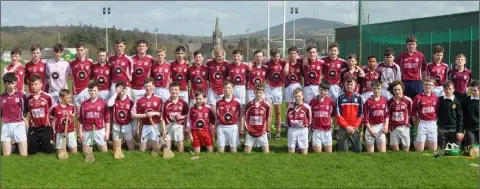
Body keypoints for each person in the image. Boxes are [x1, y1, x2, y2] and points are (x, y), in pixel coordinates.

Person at [26, 75, 56, 155]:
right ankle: (36, 142)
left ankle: (44, 142)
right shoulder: (28, 98)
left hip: (46, 127)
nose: (33, 86)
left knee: (49, 151)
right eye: (32, 84)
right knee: (32, 152)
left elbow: (53, 111)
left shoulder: (48, 97)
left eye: (36, 84)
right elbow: (25, 112)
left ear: (41, 84)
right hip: (34, 128)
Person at [131, 78, 163, 152]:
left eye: (150, 86)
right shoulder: (139, 99)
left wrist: (154, 113)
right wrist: (145, 115)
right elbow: (132, 115)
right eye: (146, 86)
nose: (148, 88)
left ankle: (153, 143)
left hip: (155, 125)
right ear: (144, 87)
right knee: (142, 150)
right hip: (144, 126)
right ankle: (149, 143)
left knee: (155, 149)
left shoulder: (159, 99)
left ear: (154, 86)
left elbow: (162, 114)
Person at [78, 82, 110, 154]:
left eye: (95, 90)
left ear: (98, 91)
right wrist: (80, 132)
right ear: (88, 91)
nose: (93, 92)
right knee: (85, 152)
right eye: (91, 90)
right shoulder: (84, 104)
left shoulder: (103, 103)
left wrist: (107, 132)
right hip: (87, 130)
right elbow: (80, 120)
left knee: (104, 152)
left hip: (99, 129)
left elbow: (107, 120)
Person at [0, 73, 28, 156]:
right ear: (4, 83)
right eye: (8, 83)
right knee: (6, 155)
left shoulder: (21, 96)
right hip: (6, 126)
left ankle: (18, 144)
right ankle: (15, 146)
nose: (11, 86)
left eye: (13, 83)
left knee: (23, 155)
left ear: (16, 83)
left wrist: (20, 119)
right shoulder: (1, 97)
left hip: (19, 125)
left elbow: (25, 111)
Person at [335, 76, 363, 152]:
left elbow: (360, 115)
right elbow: (338, 115)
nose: (349, 86)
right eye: (347, 84)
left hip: (354, 128)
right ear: (344, 85)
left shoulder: (359, 98)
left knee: (358, 150)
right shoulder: (339, 98)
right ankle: (340, 142)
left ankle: (349, 141)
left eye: (351, 84)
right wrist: (346, 126)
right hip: (344, 127)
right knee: (344, 151)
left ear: (355, 85)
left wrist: (354, 127)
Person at [412, 77, 439, 152]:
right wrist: (416, 125)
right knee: (420, 150)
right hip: (422, 123)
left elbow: (436, 111)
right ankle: (414, 141)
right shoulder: (418, 97)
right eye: (426, 84)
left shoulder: (436, 97)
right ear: (423, 86)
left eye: (430, 85)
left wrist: (434, 122)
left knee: (434, 149)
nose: (428, 86)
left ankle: (425, 141)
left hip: (432, 123)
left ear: (433, 86)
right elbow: (413, 113)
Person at [216, 81, 243, 153]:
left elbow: (242, 116)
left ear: (233, 89)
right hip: (221, 127)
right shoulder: (218, 102)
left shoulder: (238, 102)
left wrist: (241, 129)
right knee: (220, 151)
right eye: (225, 88)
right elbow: (216, 116)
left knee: (233, 150)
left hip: (233, 127)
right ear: (223, 89)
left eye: (229, 88)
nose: (227, 89)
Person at [108, 81, 135, 151]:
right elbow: (109, 104)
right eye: (119, 90)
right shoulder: (114, 99)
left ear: (126, 89)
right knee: (116, 150)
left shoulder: (130, 101)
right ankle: (120, 143)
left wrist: (134, 129)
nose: (121, 92)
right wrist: (116, 93)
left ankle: (124, 142)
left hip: (127, 126)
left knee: (131, 148)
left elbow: (133, 116)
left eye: (122, 90)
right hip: (116, 127)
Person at [362, 81, 389, 153]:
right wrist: (370, 130)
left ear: (381, 89)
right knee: (370, 153)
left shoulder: (384, 100)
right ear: (371, 89)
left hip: (381, 127)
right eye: (374, 89)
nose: (376, 91)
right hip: (371, 127)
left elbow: (386, 115)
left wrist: (386, 126)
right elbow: (365, 119)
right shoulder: (367, 102)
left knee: (382, 152)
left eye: (378, 88)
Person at [162, 82, 189, 152]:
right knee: (166, 151)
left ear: (179, 91)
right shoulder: (165, 103)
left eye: (176, 89)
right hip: (168, 127)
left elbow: (187, 115)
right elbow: (162, 118)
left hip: (179, 126)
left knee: (180, 151)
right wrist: (164, 130)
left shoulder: (183, 103)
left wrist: (181, 117)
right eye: (172, 89)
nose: (174, 91)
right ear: (169, 90)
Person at [244, 84, 271, 153]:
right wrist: (246, 128)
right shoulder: (249, 104)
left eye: (260, 93)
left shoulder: (267, 105)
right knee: (246, 153)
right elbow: (246, 117)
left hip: (262, 131)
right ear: (254, 92)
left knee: (267, 153)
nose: (258, 94)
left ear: (263, 93)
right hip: (251, 131)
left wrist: (267, 129)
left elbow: (268, 117)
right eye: (256, 92)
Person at [309, 82, 335, 153]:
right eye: (321, 89)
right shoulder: (313, 100)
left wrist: (330, 120)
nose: (323, 92)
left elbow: (333, 112)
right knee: (317, 153)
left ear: (328, 92)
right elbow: (309, 113)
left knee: (329, 153)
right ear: (318, 89)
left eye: (325, 90)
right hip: (316, 129)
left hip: (327, 129)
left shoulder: (330, 101)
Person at [264, 48, 285, 140]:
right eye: (274, 56)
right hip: (269, 88)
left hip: (279, 89)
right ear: (271, 57)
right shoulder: (267, 64)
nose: (276, 58)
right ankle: (268, 131)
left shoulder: (283, 63)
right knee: (269, 111)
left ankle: (278, 131)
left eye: (277, 56)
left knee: (278, 112)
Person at [387, 81, 413, 152]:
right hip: (394, 128)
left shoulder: (408, 100)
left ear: (402, 89)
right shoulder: (389, 102)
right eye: (395, 90)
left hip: (404, 127)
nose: (397, 91)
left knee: (406, 151)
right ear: (392, 90)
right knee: (395, 151)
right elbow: (388, 115)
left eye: (399, 89)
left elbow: (410, 113)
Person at [436, 81, 463, 149]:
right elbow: (436, 113)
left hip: (453, 128)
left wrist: (459, 131)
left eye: (450, 89)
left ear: (453, 89)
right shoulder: (439, 100)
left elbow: (460, 117)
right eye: (446, 89)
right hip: (442, 128)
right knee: (442, 149)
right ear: (443, 90)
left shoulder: (457, 102)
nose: (448, 91)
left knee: (455, 149)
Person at [50, 89, 77, 155]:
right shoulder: (55, 107)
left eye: (70, 97)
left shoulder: (72, 106)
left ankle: (68, 147)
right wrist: (55, 119)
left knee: (74, 152)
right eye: (68, 98)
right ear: (61, 98)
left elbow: (73, 115)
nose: (70, 99)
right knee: (59, 153)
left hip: (70, 131)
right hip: (60, 132)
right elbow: (50, 115)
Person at [70, 42, 94, 115]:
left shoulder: (90, 62)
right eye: (78, 50)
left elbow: (92, 76)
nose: (80, 52)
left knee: (88, 112)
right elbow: (70, 76)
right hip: (76, 91)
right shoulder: (72, 63)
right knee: (79, 114)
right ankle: (80, 127)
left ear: (85, 51)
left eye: (81, 50)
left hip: (86, 90)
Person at [285, 88, 311, 155]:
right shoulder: (290, 107)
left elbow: (310, 120)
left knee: (304, 153)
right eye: (296, 96)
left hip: (303, 130)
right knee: (291, 152)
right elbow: (286, 119)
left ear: (303, 96)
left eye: (299, 96)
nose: (297, 98)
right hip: (292, 130)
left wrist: (305, 127)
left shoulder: (307, 107)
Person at [206, 46, 229, 112]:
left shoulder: (226, 64)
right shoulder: (209, 63)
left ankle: (221, 121)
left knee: (222, 107)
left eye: (220, 56)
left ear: (223, 55)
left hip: (222, 89)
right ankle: (215, 120)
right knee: (212, 108)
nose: (218, 58)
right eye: (216, 56)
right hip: (212, 88)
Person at [462, 80, 479, 148]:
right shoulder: (466, 101)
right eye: (471, 90)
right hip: (469, 128)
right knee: (470, 149)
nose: (472, 92)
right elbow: (462, 116)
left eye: (475, 90)